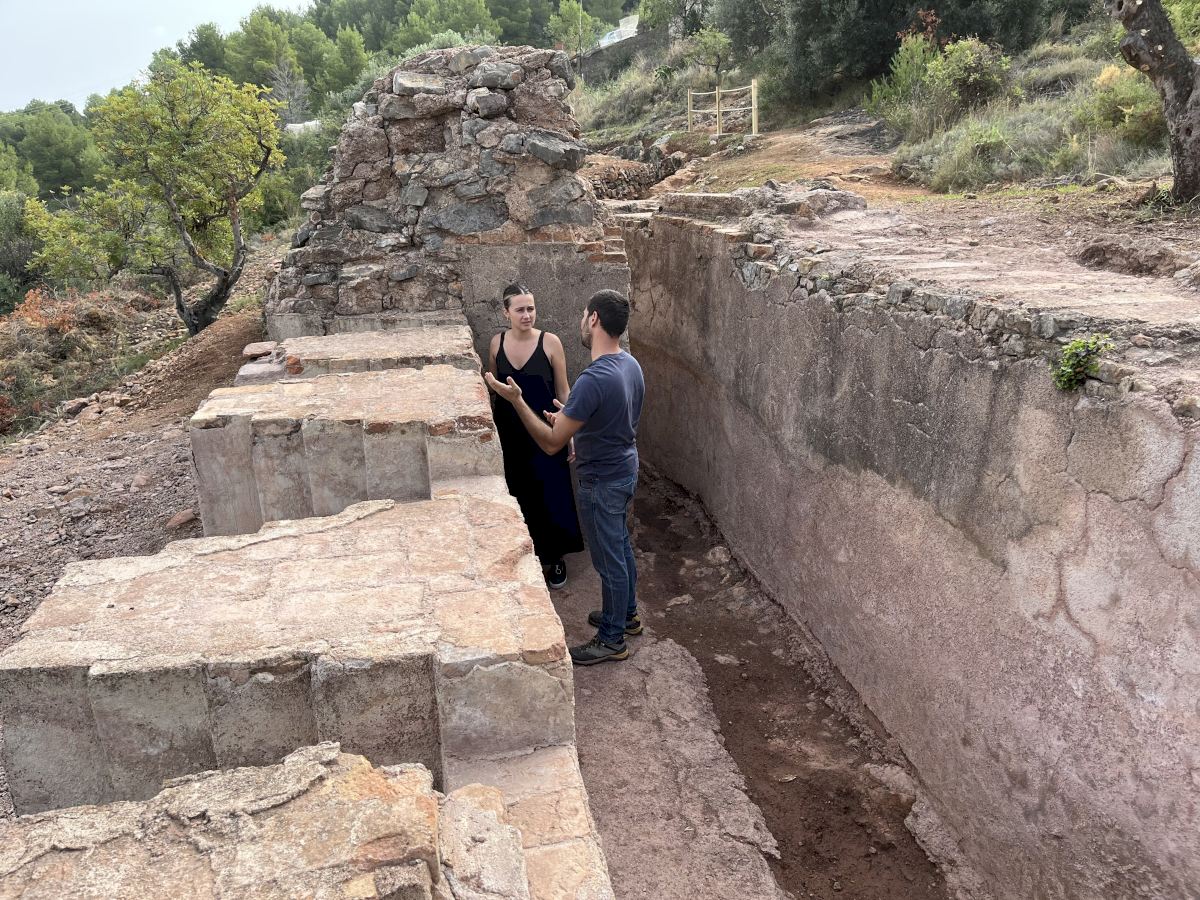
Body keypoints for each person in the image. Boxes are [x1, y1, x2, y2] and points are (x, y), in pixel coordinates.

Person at [485, 289, 645, 666]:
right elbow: (611, 418)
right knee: (620, 545)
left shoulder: (593, 378)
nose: (581, 320)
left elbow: (552, 443)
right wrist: (570, 417)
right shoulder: (629, 365)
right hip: (624, 468)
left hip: (602, 480)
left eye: (584, 314)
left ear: (594, 319)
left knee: (609, 560)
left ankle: (612, 640)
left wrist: (517, 400)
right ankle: (626, 615)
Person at [488, 283, 584, 589]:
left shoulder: (550, 342)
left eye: (531, 308)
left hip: (546, 430)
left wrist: (569, 430)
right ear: (506, 312)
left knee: (551, 492)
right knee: (519, 492)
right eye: (520, 309)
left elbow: (564, 391)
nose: (527, 315)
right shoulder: (496, 343)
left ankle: (555, 558)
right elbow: (495, 391)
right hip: (510, 432)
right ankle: (521, 557)